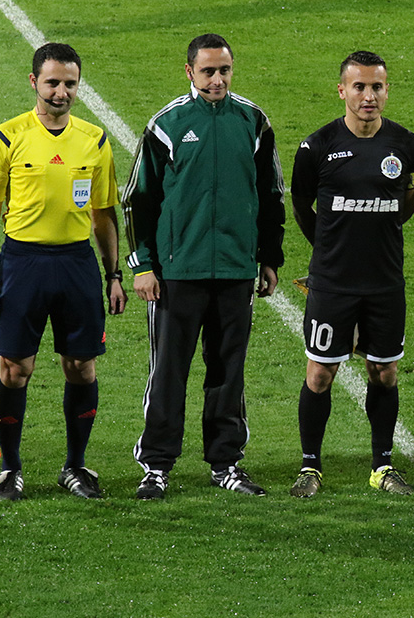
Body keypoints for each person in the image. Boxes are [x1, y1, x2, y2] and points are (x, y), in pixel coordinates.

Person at [122, 33, 285, 500]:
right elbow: (138, 200)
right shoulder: (167, 124)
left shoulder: (253, 121)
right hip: (176, 273)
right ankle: (156, 465)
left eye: (225, 70)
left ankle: (226, 463)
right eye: (209, 71)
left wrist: (269, 259)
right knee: (168, 371)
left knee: (229, 372)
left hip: (235, 271)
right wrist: (143, 266)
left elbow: (271, 196)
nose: (218, 79)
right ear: (189, 72)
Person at [0, 42, 126, 501]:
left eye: (70, 83)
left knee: (81, 366)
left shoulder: (94, 139)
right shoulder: (6, 136)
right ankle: (11, 469)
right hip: (23, 264)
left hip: (77, 264)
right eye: (53, 82)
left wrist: (113, 275)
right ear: (34, 81)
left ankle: (74, 466)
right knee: (15, 370)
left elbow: (103, 214)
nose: (61, 92)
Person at [288, 51, 414, 498]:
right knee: (320, 375)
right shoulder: (317, 147)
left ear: (387, 90)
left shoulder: (406, 146)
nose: (369, 96)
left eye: (377, 87)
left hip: (384, 281)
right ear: (342, 90)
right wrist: (328, 249)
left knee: (384, 371)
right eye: (360, 87)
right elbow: (303, 206)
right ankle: (310, 467)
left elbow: (406, 202)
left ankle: (382, 466)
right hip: (333, 282)